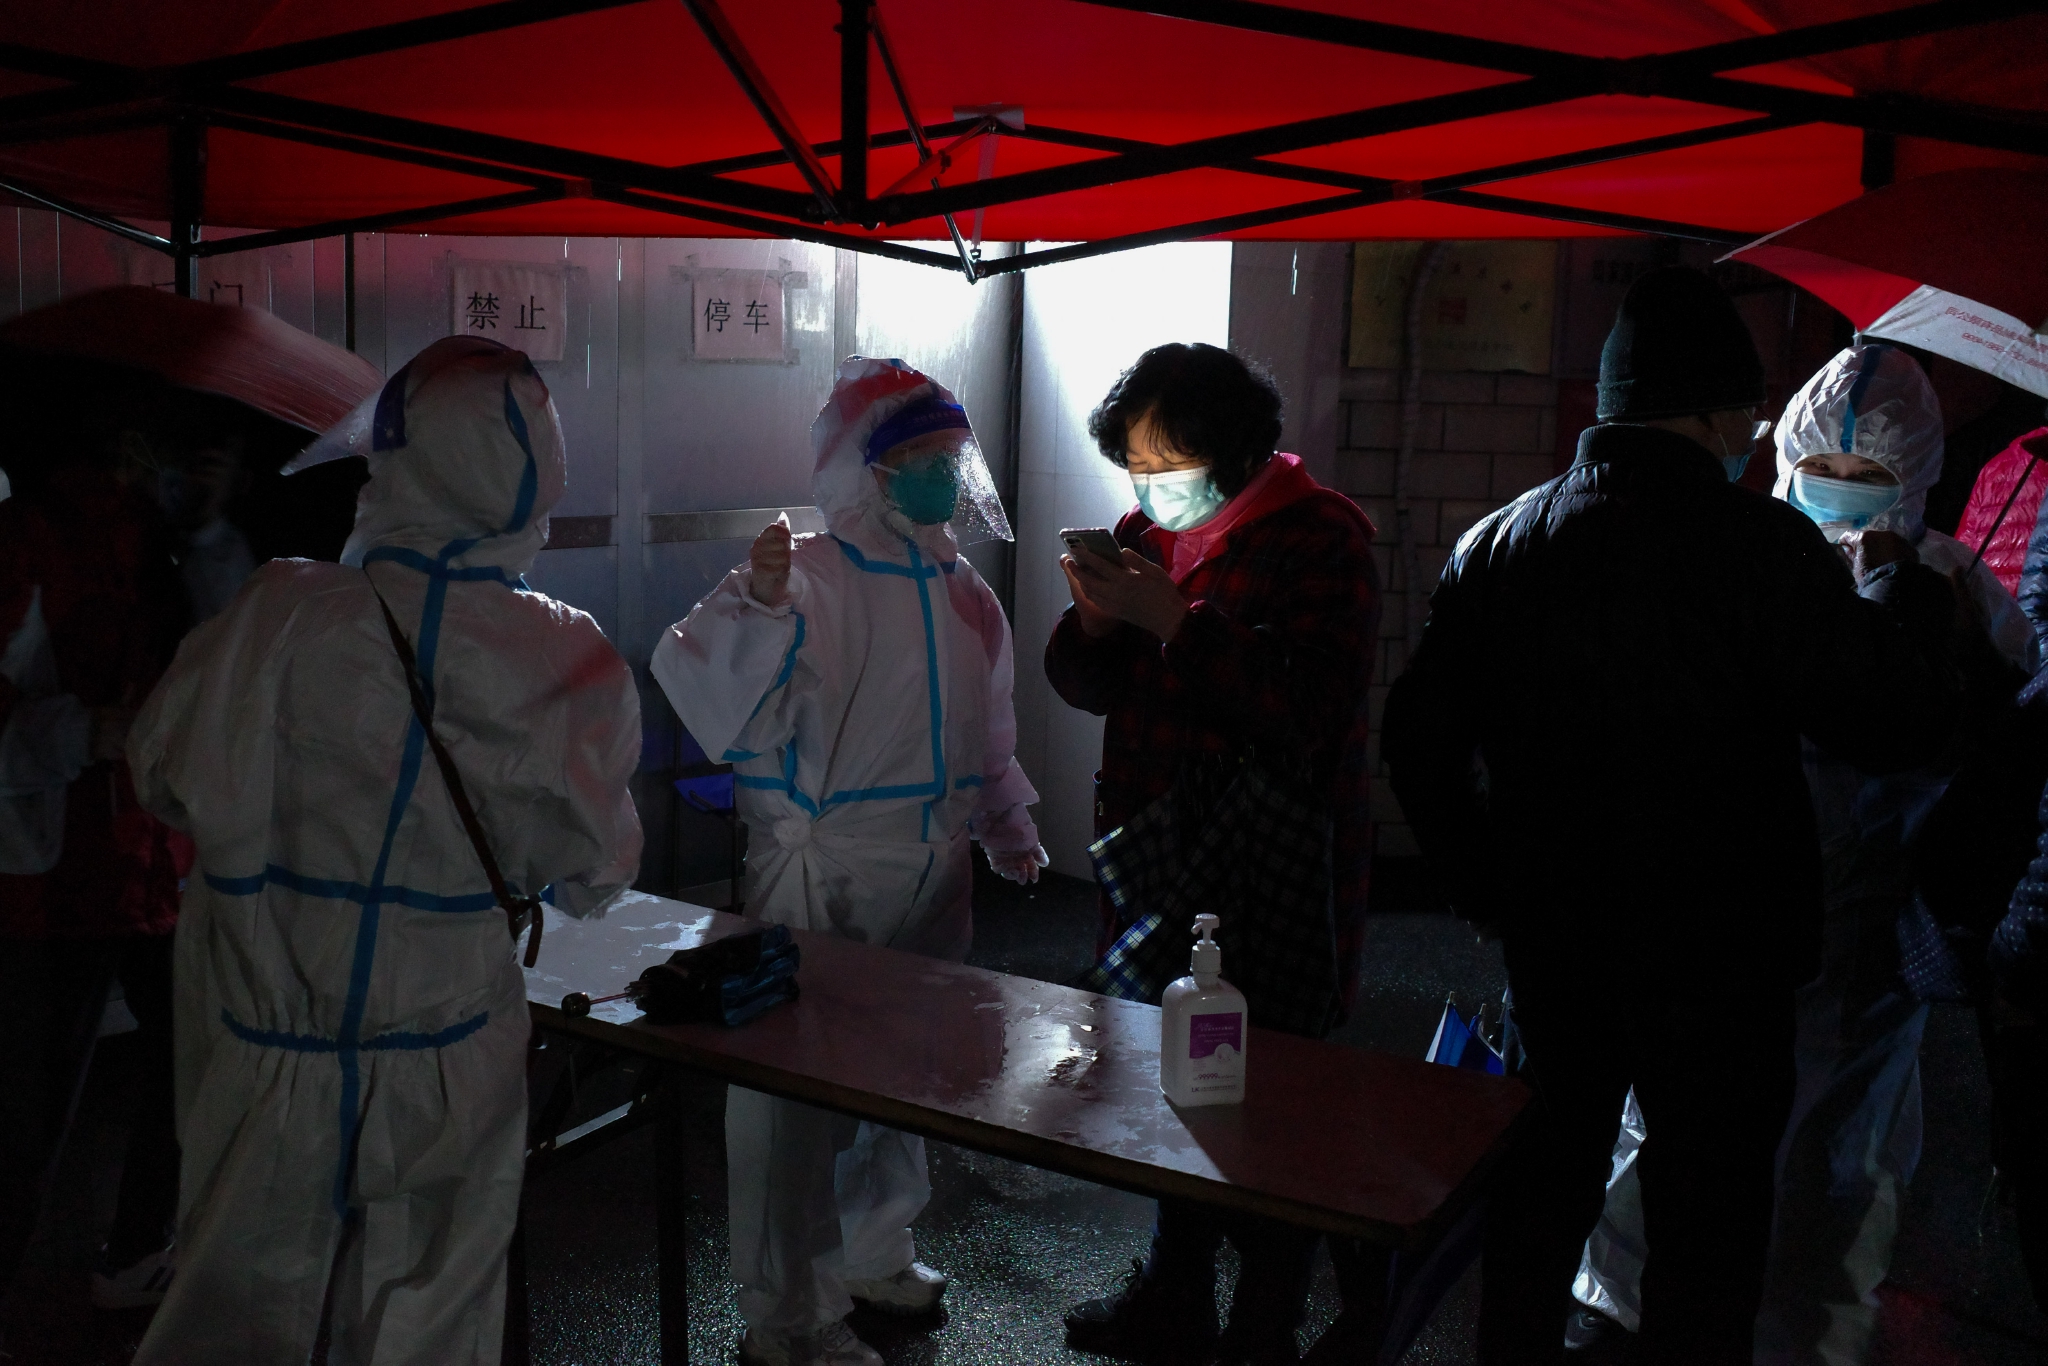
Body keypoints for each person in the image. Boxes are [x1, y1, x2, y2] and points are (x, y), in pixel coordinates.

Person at [1381, 267, 1962, 1366]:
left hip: (1554, 939)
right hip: (1722, 953)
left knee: (1543, 1189)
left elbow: (1416, 745)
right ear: (1709, 413)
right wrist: (1899, 596)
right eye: (1746, 410)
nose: (1754, 433)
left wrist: (1488, 889)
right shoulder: (1761, 549)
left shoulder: (1499, 542)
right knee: (1708, 1222)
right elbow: (1880, 719)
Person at [125, 336, 643, 1365]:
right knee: (430, 1319)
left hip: (266, 1036)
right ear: (537, 468)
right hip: (449, 1049)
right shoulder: (564, 652)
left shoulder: (278, 612)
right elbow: (596, 877)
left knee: (229, 1315)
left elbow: (162, 775)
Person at [1567, 342, 2034, 1362]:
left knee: (1842, 1161)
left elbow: (2006, 725)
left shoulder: (1952, 584)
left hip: (1870, 940)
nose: (1840, 494)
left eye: (1870, 477)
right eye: (1826, 466)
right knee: (1679, 1136)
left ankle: (1804, 1339)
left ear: (1911, 478)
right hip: (1731, 916)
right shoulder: (1739, 555)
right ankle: (1624, 1312)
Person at [652, 357, 1045, 1366]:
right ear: (858, 471)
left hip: (933, 864)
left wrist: (1006, 821)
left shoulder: (965, 593)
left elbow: (986, 726)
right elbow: (703, 685)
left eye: (942, 455)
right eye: (909, 457)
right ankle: (787, 1315)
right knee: (792, 1101)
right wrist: (761, 605)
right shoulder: (811, 577)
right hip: (823, 871)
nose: (932, 473)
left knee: (904, 1076)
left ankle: (876, 1247)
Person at [1046, 343, 1381, 1366]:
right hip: (1155, 848)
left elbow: (1307, 709)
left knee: (1263, 1090)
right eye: (1135, 463)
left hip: (1269, 862)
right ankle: (1173, 1288)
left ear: (1235, 448)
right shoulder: (1148, 531)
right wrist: (1098, 623)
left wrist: (1177, 622)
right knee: (1163, 1074)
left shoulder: (1323, 536)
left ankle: (1265, 1318)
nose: (1151, 486)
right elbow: (1083, 684)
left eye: (1169, 458)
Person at [0, 363, 191, 1317]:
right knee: (30, 1108)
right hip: (53, 868)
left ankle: (138, 1248)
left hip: (143, 856)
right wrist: (90, 732)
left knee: (183, 1055)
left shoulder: (162, 542)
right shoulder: (29, 538)